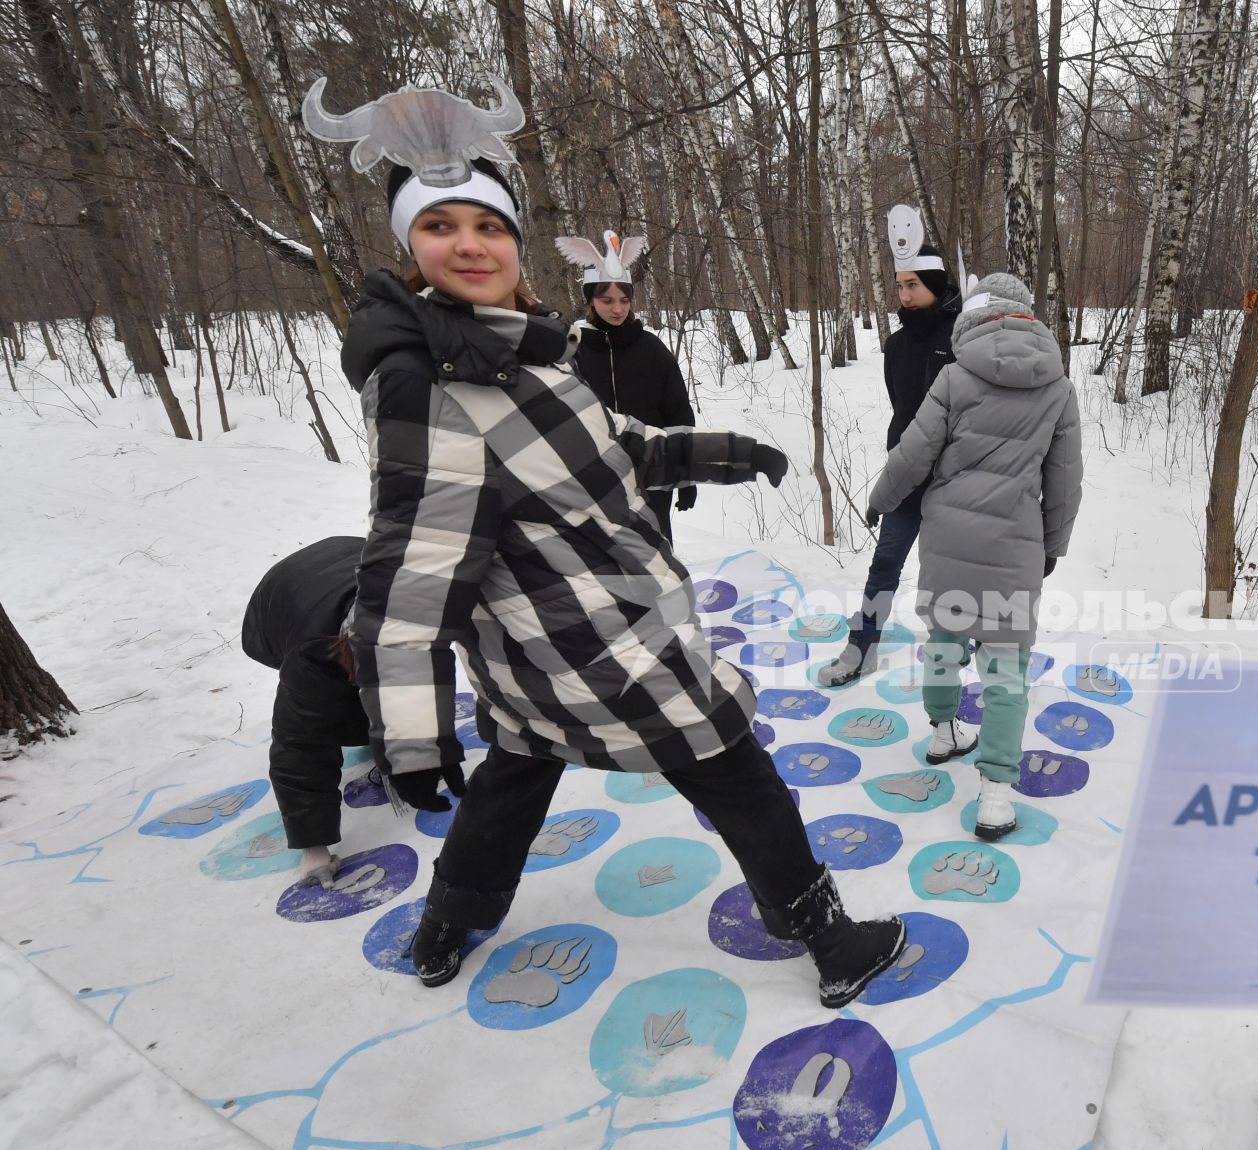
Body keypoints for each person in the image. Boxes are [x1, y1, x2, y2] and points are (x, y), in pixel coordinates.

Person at [309, 78, 905, 1004]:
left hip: (539, 655)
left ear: (514, 245)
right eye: (441, 227)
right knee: (735, 766)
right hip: (611, 644)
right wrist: (412, 738)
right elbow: (414, 573)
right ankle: (828, 942)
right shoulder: (433, 386)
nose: (470, 243)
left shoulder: (519, 356)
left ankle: (446, 926)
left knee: (520, 768)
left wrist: (719, 451)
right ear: (410, 248)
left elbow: (611, 449)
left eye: (490, 226)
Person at [866, 273, 1083, 840]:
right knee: (1007, 668)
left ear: (975, 317)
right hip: (1015, 541)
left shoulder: (955, 377)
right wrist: (1051, 550)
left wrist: (879, 501)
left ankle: (944, 734)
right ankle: (995, 798)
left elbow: (912, 455)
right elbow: (1064, 484)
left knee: (944, 638)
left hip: (949, 534)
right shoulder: (1058, 388)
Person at [819, 209, 962, 686]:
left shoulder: (965, 339)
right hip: (906, 475)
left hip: (954, 479)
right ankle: (863, 644)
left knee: (950, 571)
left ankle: (959, 641)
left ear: (936, 285)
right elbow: (900, 408)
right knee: (886, 562)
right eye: (899, 286)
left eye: (912, 286)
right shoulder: (896, 345)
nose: (903, 295)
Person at [240, 535, 371, 887]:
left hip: (350, 563)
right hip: (281, 598)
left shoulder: (416, 623)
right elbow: (300, 748)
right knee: (327, 713)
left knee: (388, 707)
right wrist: (315, 848)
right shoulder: (311, 656)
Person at [558, 229, 698, 543]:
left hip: (651, 476)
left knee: (656, 560)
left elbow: (678, 413)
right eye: (606, 300)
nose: (617, 309)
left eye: (624, 299)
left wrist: (685, 473)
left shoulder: (652, 349)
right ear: (591, 300)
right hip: (593, 479)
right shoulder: (572, 351)